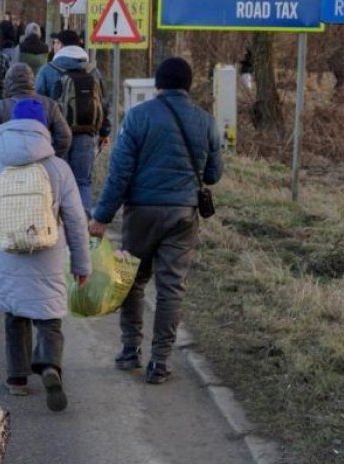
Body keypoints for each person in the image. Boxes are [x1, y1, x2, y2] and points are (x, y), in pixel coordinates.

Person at [88, 58, 223, 385]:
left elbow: (119, 174)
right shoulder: (206, 121)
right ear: (189, 85)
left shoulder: (138, 117)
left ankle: (130, 349)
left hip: (141, 213)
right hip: (183, 214)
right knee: (171, 287)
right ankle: (160, 361)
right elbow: (213, 174)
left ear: (158, 84)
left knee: (130, 279)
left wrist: (101, 217)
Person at [0, 99, 90, 412]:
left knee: (15, 317)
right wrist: (81, 263)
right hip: (48, 254)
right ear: (44, 128)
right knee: (49, 318)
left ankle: (17, 379)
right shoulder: (58, 167)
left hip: (10, 251)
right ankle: (50, 365)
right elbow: (77, 220)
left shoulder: (0, 166)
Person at [35, 29, 111, 213]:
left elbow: (38, 103)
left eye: (55, 43)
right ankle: (83, 226)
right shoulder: (93, 71)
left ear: (60, 45)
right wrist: (104, 132)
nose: (53, 46)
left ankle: (57, 224)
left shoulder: (48, 70)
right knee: (83, 181)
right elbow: (103, 103)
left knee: (56, 180)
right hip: (86, 134)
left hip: (56, 136)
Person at [0, 63, 71, 182]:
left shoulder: (0, 107)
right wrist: (51, 155)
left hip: (9, 168)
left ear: (8, 82)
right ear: (32, 81)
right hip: (42, 167)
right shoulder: (49, 104)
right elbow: (65, 136)